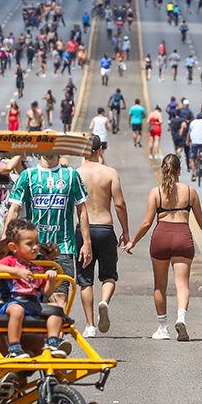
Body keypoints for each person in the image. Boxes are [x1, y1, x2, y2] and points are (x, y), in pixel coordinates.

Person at [126, 154, 202, 341]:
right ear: (180, 170)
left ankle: (162, 327)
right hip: (182, 236)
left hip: (161, 237)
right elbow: (201, 219)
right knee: (182, 285)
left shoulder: (156, 192)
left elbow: (147, 223)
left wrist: (133, 241)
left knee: (160, 285)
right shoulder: (190, 192)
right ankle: (181, 319)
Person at [4, 151, 92, 305]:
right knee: (34, 295)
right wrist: (5, 241)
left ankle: (58, 328)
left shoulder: (71, 175)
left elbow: (82, 210)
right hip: (33, 248)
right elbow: (14, 209)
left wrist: (87, 243)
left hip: (63, 246)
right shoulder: (27, 175)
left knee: (60, 294)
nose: (49, 150)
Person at [75, 138, 130, 337]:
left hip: (83, 231)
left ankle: (90, 326)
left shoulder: (76, 174)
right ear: (100, 150)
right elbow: (120, 204)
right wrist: (125, 231)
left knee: (85, 279)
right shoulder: (110, 173)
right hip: (105, 229)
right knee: (108, 275)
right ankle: (104, 302)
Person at [0, 219, 68, 358]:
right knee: (17, 309)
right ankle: (14, 347)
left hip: (31, 302)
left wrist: (50, 279)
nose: (35, 247)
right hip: (9, 301)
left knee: (56, 308)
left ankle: (53, 343)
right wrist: (17, 272)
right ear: (14, 247)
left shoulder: (36, 267)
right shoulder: (10, 261)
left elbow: (46, 292)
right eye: (29, 244)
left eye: (36, 243)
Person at [187, 112, 202, 180]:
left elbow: (189, 132)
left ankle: (193, 174)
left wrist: (187, 141)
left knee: (192, 158)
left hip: (194, 142)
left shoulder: (193, 122)